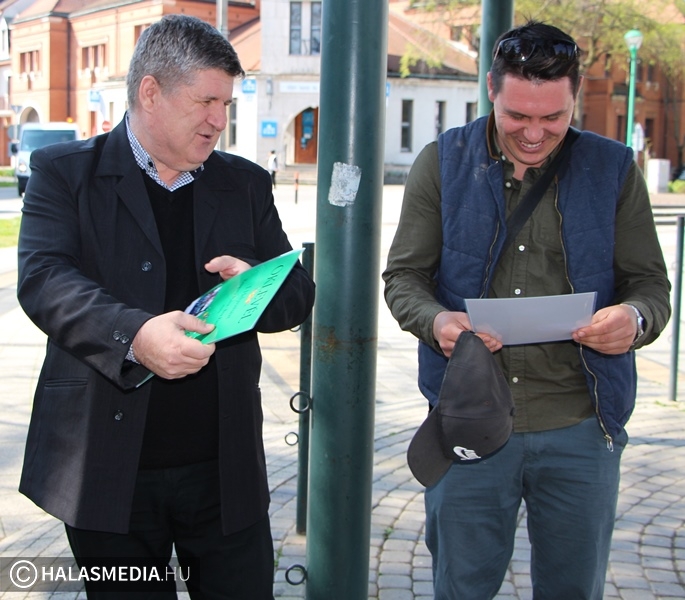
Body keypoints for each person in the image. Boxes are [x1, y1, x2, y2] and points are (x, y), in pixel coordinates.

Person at [17, 14, 315, 599]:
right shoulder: (64, 174)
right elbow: (45, 279)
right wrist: (135, 336)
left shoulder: (245, 183)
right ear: (151, 92)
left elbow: (297, 295)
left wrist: (261, 287)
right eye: (206, 102)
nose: (219, 120)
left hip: (224, 475)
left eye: (226, 104)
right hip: (106, 471)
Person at [382, 20, 671, 600]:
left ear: (575, 97)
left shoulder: (614, 168)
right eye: (517, 116)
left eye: (553, 118)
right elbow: (404, 278)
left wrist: (634, 321)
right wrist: (437, 321)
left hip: (582, 426)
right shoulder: (443, 161)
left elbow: (650, 286)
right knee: (461, 588)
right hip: (468, 421)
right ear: (491, 88)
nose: (535, 134)